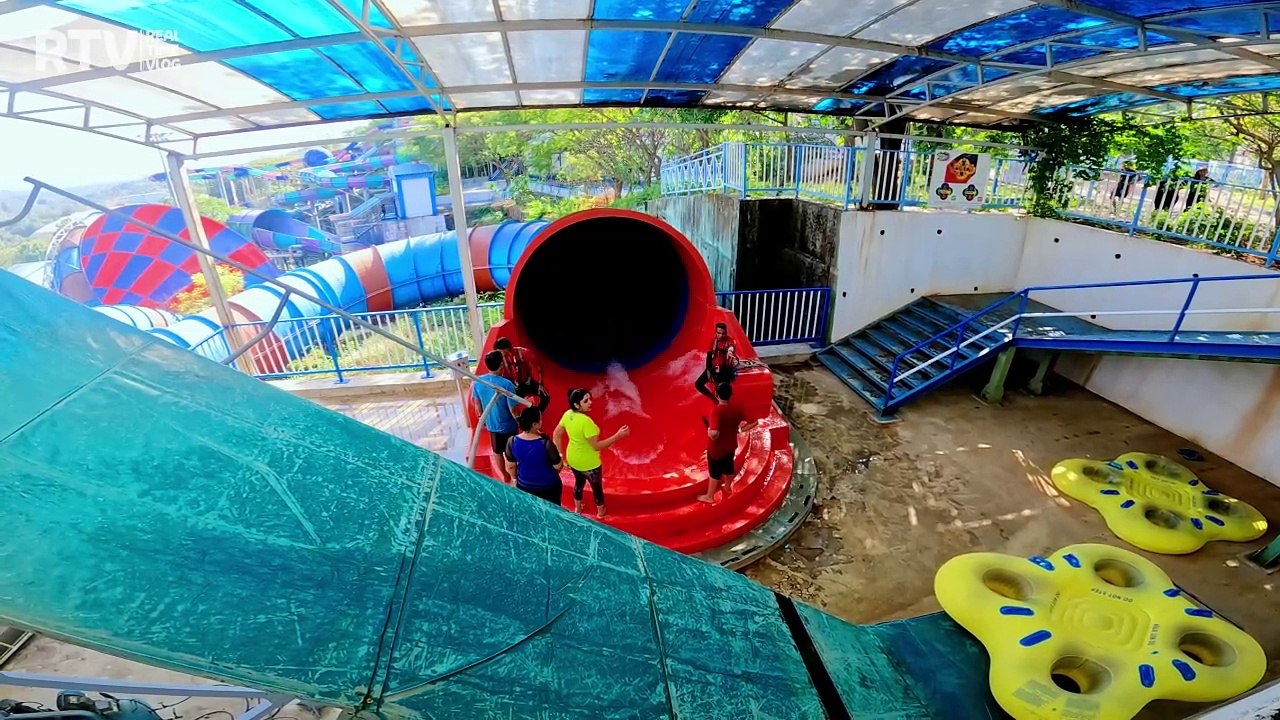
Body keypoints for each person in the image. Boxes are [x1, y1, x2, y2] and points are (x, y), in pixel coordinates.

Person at [553, 389, 629, 519]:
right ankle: (601, 512)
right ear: (577, 405)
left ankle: (577, 508)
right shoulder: (586, 423)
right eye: (586, 401)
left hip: (573, 458)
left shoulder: (568, 414)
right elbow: (596, 446)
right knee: (596, 488)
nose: (590, 402)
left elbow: (556, 435)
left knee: (578, 483)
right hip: (590, 463)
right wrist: (618, 436)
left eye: (589, 399)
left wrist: (560, 455)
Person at [697, 382, 757, 504]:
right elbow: (754, 422)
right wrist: (740, 430)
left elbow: (714, 435)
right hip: (731, 445)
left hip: (717, 449)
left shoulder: (717, 411)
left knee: (714, 472)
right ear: (731, 394)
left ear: (717, 395)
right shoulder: (737, 407)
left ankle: (709, 496)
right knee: (729, 467)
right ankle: (727, 487)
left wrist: (709, 431)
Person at [470, 350, 522, 484]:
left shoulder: (477, 382)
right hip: (508, 425)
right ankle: (515, 477)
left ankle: (505, 476)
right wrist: (521, 423)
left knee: (497, 451)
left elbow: (477, 406)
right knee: (512, 453)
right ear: (501, 364)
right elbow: (513, 409)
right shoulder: (507, 385)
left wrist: (484, 420)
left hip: (492, 425)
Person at [503, 407, 564, 506]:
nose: (541, 420)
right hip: (549, 487)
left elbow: (510, 466)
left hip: (524, 485)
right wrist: (560, 454)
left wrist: (515, 479)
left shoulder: (511, 441)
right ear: (534, 424)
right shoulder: (546, 444)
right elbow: (558, 466)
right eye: (540, 419)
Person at [495, 337, 549, 413]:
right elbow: (499, 375)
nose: (501, 353)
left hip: (528, 382)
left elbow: (538, 367)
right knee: (507, 404)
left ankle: (537, 414)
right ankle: (518, 419)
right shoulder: (501, 359)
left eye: (501, 351)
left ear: (506, 348)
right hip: (514, 386)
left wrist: (540, 384)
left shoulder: (524, 352)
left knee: (545, 396)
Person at [694, 322, 738, 401]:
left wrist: (730, 351)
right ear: (716, 332)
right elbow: (709, 356)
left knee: (723, 391)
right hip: (714, 367)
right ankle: (713, 399)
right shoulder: (713, 341)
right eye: (719, 333)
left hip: (725, 369)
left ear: (726, 333)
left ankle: (723, 402)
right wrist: (708, 371)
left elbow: (731, 347)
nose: (721, 335)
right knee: (698, 384)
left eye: (723, 333)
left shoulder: (729, 341)